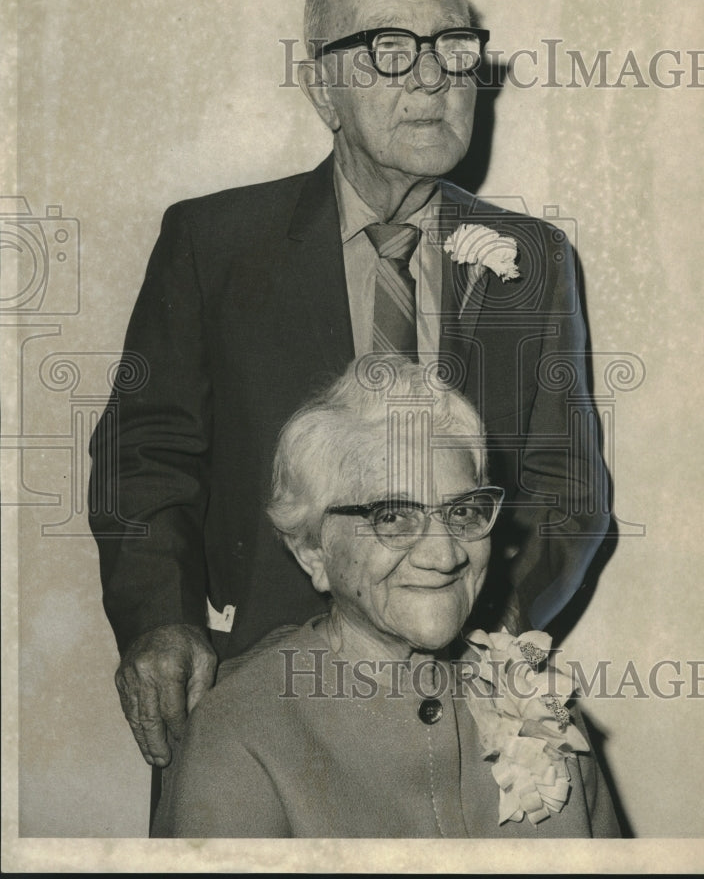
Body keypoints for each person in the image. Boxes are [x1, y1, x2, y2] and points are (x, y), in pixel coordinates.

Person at [88, 0, 610, 772]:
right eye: (390, 51)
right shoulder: (213, 244)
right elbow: (145, 454)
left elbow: (567, 488)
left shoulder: (532, 259)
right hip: (258, 689)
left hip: (465, 706)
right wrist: (159, 617)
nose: (434, 78)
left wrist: (479, 632)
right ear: (323, 86)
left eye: (453, 47)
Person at [152, 355, 619, 838]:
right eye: (392, 516)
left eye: (463, 511)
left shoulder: (539, 700)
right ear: (313, 549)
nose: (444, 555)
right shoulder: (241, 733)